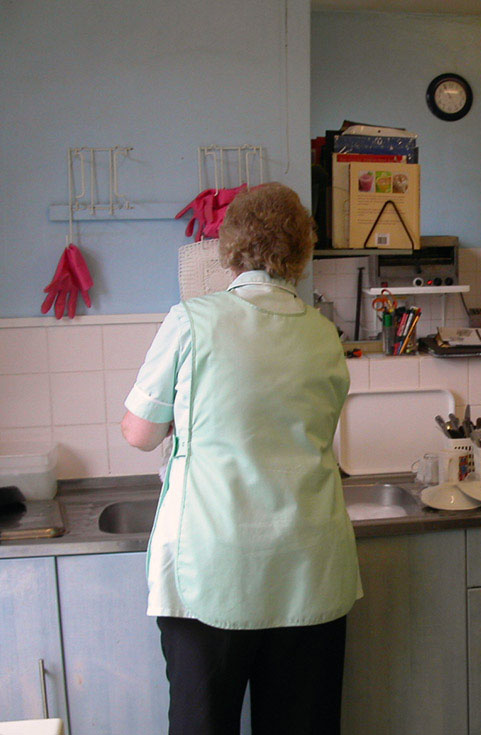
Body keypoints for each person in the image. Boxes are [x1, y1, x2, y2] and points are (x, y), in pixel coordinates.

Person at [121, 182, 360, 735]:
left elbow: (138, 432)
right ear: (301, 250)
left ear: (229, 247)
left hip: (214, 568)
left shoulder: (192, 321)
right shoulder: (324, 334)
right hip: (309, 571)